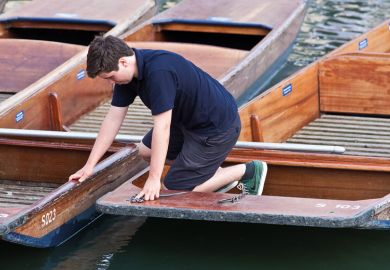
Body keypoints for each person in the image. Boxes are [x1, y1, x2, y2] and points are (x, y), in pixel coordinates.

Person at [69, 35, 267, 201]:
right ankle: (211, 174)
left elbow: (162, 128)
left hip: (215, 128)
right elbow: (113, 119)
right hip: (184, 123)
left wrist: (155, 179)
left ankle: (248, 171)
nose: (112, 83)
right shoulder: (127, 74)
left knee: (173, 191)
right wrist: (89, 166)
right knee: (145, 151)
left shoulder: (159, 73)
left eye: (111, 77)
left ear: (123, 61)